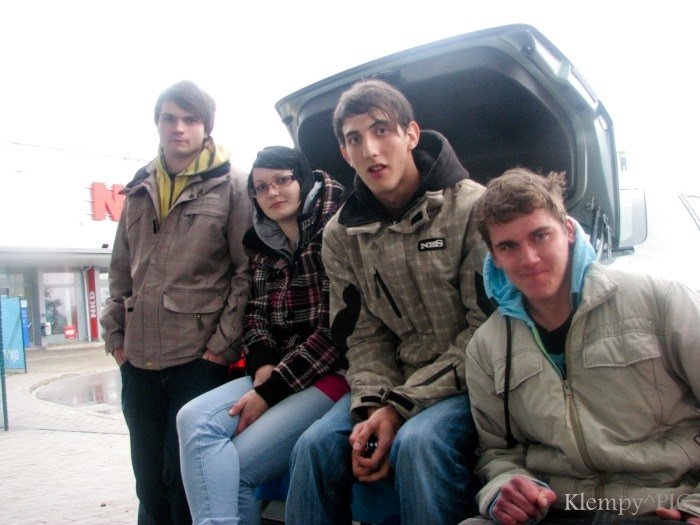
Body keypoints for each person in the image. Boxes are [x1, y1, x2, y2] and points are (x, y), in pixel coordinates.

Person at [286, 79, 490, 525]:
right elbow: (363, 337)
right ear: (345, 153)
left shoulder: (473, 209)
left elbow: (485, 332)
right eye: (355, 139)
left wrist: (399, 408)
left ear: (411, 134)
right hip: (391, 384)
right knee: (314, 446)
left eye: (381, 131)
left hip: (469, 382)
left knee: (418, 442)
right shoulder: (341, 235)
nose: (371, 150)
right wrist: (372, 408)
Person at [462, 167, 700, 525]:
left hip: (661, 505)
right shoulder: (486, 347)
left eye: (540, 236)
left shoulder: (659, 300)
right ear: (493, 256)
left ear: (568, 230)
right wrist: (506, 488)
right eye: (508, 246)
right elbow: (496, 453)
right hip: (560, 508)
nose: (529, 259)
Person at [100, 80, 252, 525]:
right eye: (169, 118)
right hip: (138, 360)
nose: (178, 128)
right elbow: (120, 270)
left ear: (206, 127)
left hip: (197, 360)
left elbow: (246, 273)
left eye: (190, 119)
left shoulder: (233, 186)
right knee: (148, 483)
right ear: (158, 124)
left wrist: (219, 350)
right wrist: (116, 340)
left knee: (182, 479)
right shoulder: (138, 190)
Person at [176, 145, 349, 524]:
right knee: (191, 418)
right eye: (261, 187)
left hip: (331, 375)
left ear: (302, 180)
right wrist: (263, 364)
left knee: (229, 470)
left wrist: (270, 391)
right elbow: (255, 313)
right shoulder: (263, 244)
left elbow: (335, 331)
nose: (272, 192)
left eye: (282, 180)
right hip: (278, 373)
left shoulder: (336, 230)